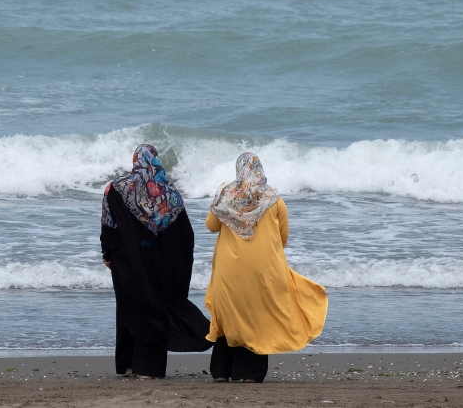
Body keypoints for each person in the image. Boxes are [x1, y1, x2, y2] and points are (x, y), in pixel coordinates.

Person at [204, 151, 328, 383]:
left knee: (229, 313)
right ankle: (249, 374)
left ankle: (222, 372)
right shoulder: (273, 198)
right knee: (257, 314)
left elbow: (211, 225)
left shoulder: (225, 194)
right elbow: (283, 236)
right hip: (264, 268)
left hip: (228, 269)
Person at [100, 144, 212, 379]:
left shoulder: (116, 188)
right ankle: (149, 368)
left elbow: (109, 225)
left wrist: (108, 254)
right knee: (155, 307)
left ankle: (128, 364)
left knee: (130, 306)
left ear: (135, 161)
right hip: (162, 263)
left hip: (128, 261)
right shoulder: (170, 194)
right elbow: (186, 234)